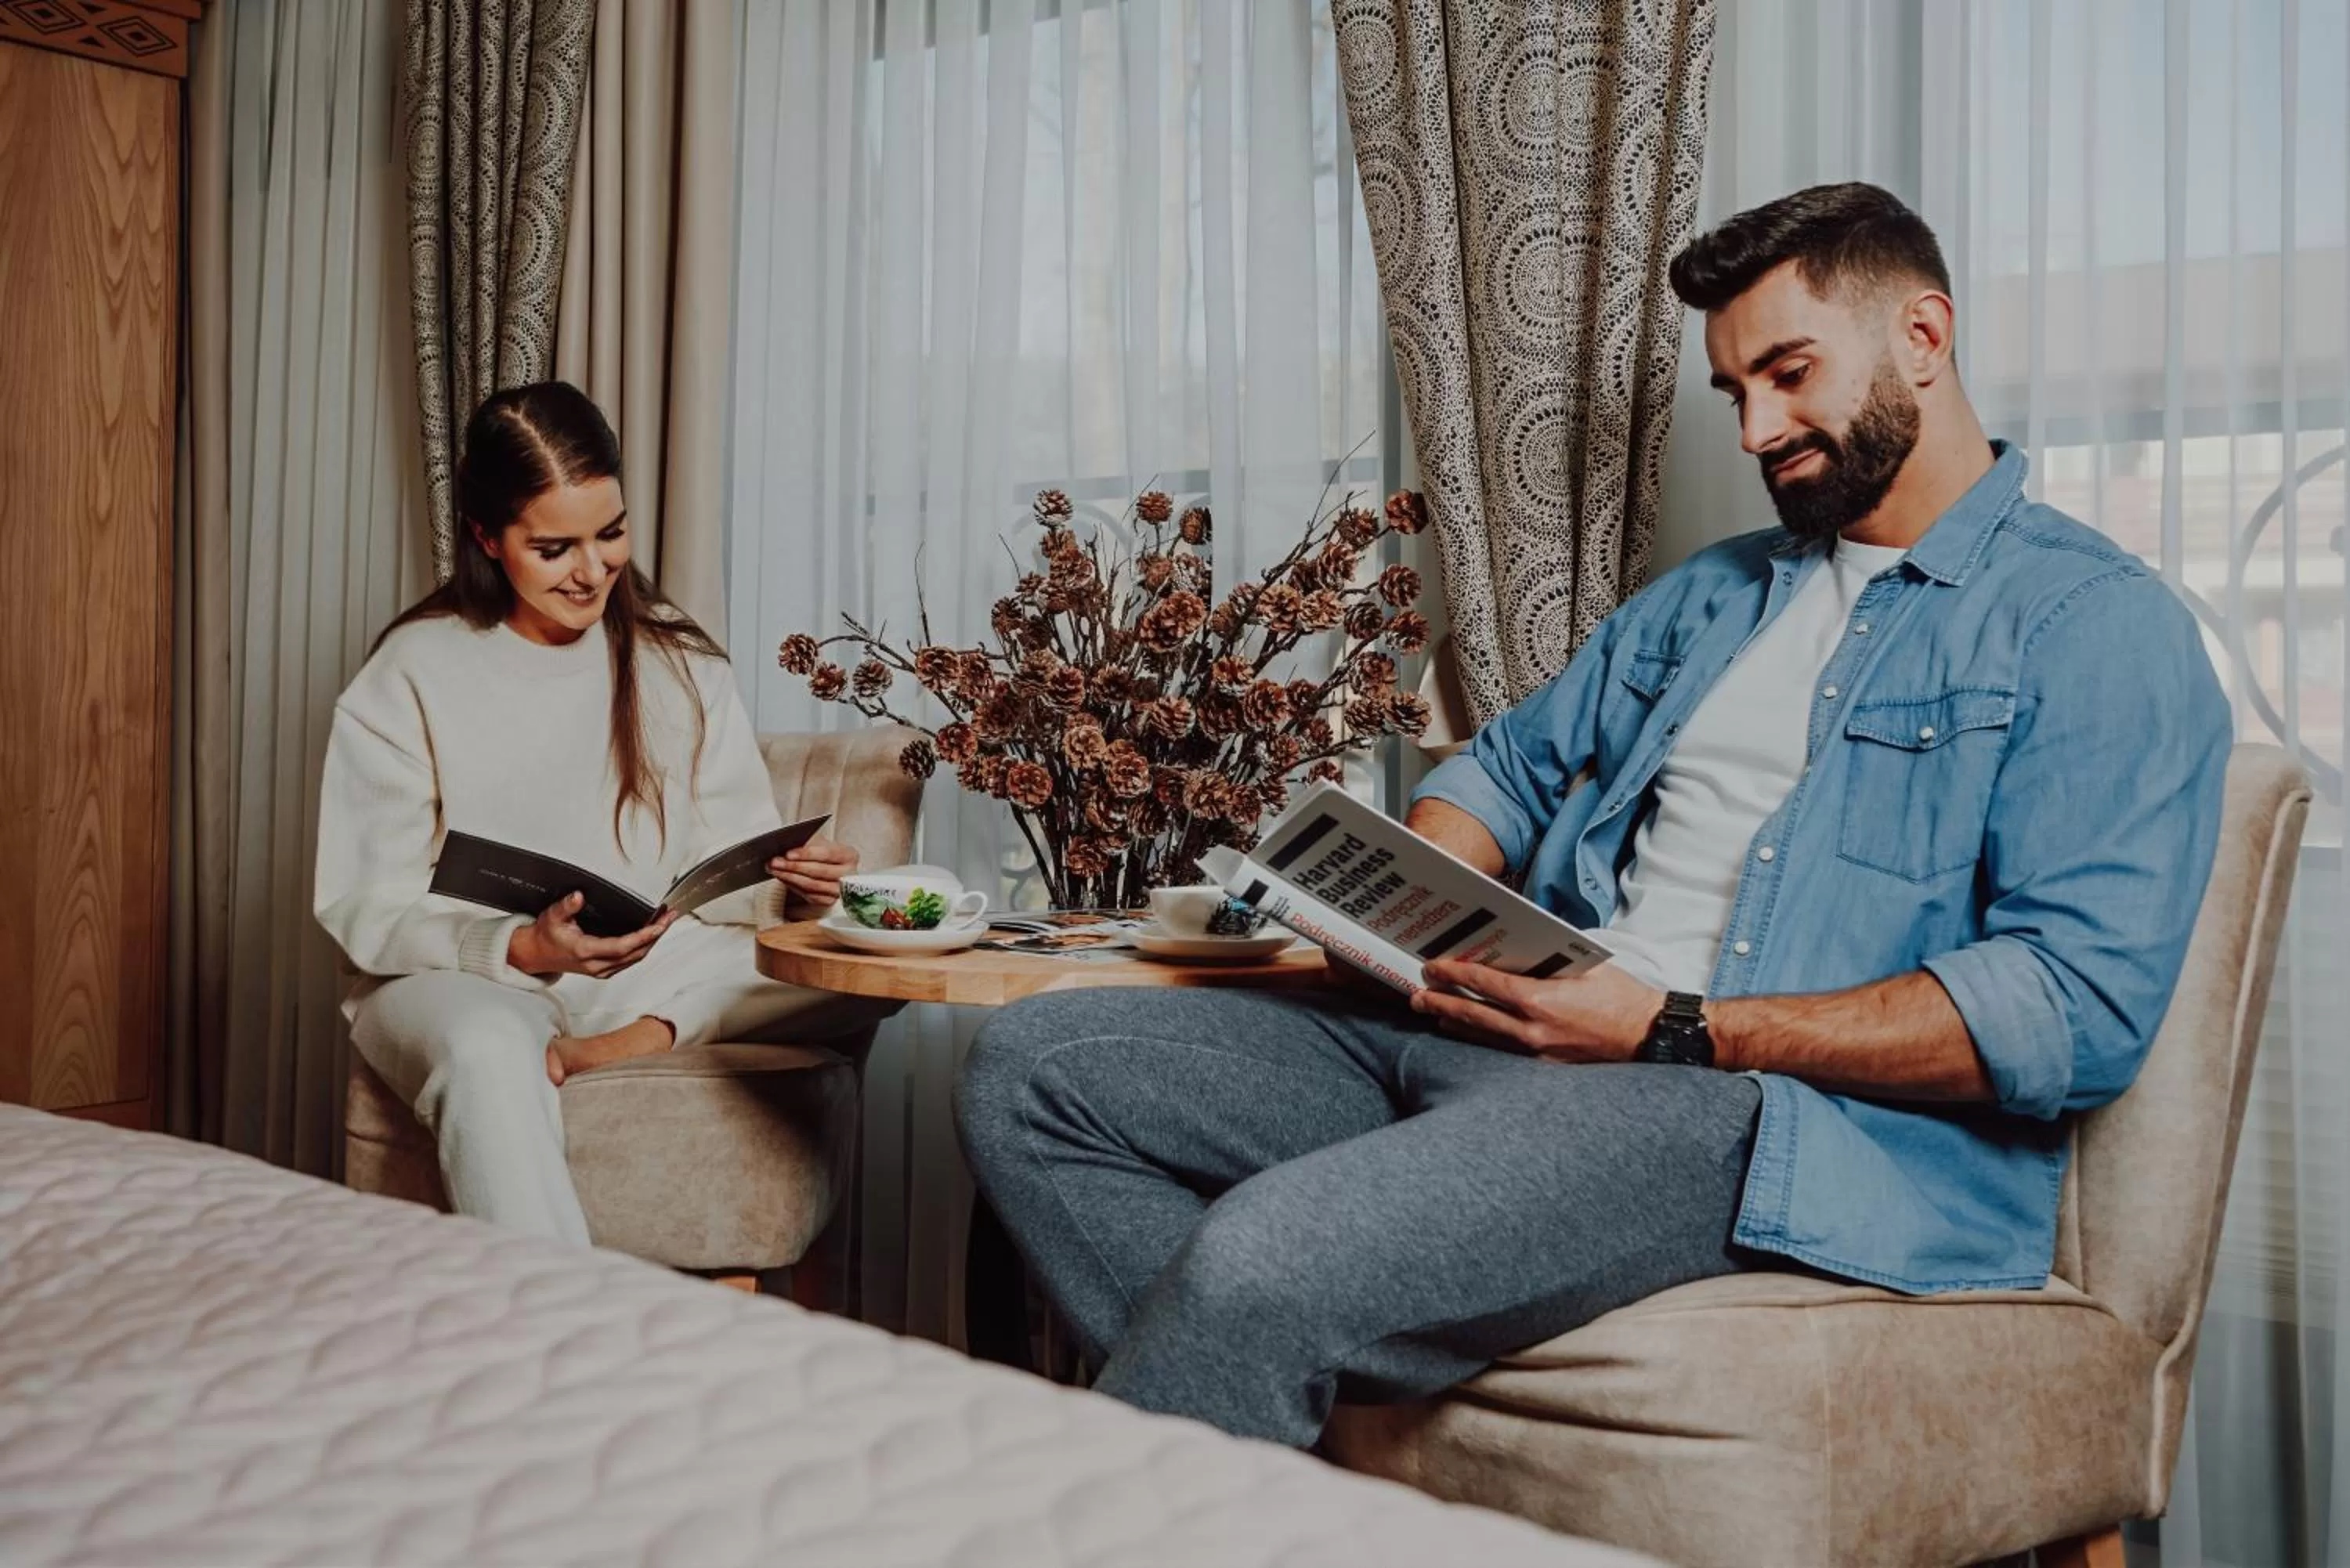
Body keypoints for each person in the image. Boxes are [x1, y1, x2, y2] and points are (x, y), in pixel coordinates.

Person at [953, 182, 2234, 1447]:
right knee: (1036, 1071)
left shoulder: (2094, 626)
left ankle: (1207, 1424)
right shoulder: (1718, 596)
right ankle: (1270, 1472)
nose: (1756, 430)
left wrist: (1672, 1026)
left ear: (1923, 336)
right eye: (1738, 392)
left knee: (1261, 1259)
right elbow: (1506, 770)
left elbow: (2070, 1010)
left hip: (1738, 1106)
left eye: (1789, 373)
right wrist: (1401, 903)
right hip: (1504, 1028)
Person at [316, 381, 862, 1245]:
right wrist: (519, 946)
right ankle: (565, 1323)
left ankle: (633, 1039)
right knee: (491, 1051)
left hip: (651, 967)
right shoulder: (412, 670)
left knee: (866, 950)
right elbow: (365, 903)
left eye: (610, 533)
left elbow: (731, 874)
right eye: (554, 547)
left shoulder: (677, 657)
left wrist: (801, 891)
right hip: (459, 978)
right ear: (488, 539)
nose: (593, 569)